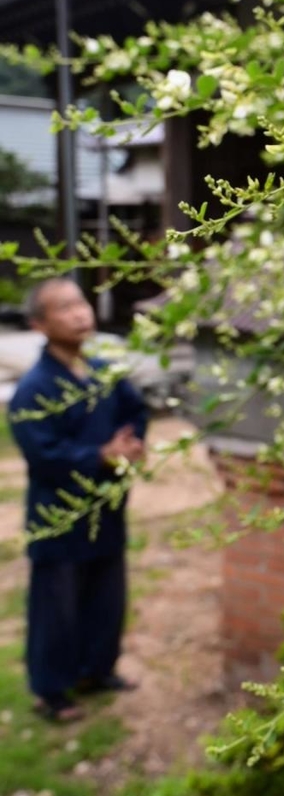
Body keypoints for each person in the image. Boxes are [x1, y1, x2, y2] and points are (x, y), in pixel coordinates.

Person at [7, 277, 148, 722]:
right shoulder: (34, 389)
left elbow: (134, 409)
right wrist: (99, 456)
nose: (79, 314)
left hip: (105, 506)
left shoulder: (102, 368)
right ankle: (51, 691)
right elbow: (44, 453)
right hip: (60, 513)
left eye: (80, 303)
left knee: (106, 596)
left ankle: (96, 670)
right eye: (63, 308)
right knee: (57, 606)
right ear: (39, 325)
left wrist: (130, 445)